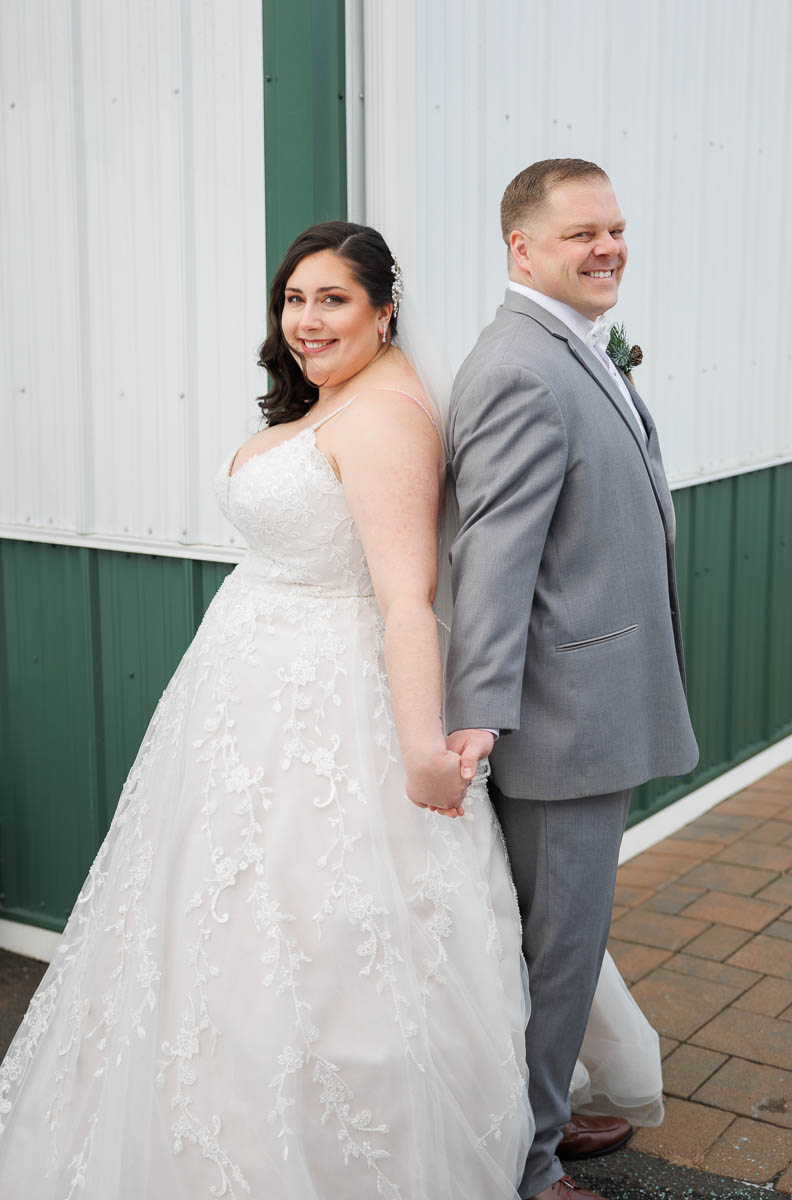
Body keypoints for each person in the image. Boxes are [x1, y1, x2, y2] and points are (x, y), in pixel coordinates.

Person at [0, 219, 662, 1200]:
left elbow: (405, 601)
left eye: (333, 299)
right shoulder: (335, 398)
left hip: (331, 703)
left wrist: (419, 751)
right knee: (219, 923)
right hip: (242, 697)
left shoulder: (386, 416)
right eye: (294, 299)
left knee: (335, 929)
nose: (306, 320)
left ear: (385, 309)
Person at [444, 159, 699, 1200]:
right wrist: (480, 718)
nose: (607, 248)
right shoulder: (519, 367)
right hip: (560, 724)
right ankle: (529, 1164)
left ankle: (538, 1117)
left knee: (564, 948)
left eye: (615, 228)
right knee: (555, 957)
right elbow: (492, 561)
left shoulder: (573, 346)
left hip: (591, 707)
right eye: (581, 233)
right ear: (522, 248)